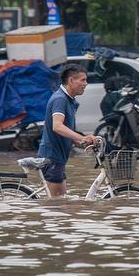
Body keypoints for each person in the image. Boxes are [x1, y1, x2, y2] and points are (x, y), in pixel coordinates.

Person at [36, 63, 102, 197]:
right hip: (52, 158)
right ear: (71, 80)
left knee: (61, 202)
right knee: (56, 206)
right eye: (83, 80)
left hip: (58, 158)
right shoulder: (60, 99)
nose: (86, 83)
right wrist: (81, 137)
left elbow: (65, 131)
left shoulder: (69, 100)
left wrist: (80, 142)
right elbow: (57, 126)